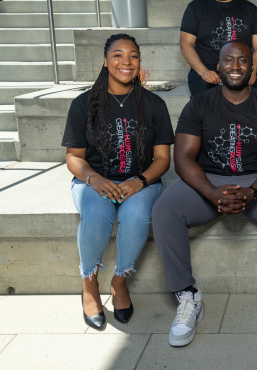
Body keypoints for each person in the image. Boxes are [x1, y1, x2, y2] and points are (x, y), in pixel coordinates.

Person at [152, 40, 257, 347]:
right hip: (208, 178)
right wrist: (211, 192)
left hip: (255, 179)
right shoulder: (199, 104)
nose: (235, 66)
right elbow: (182, 158)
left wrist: (253, 191)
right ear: (218, 66)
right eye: (228, 61)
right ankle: (188, 298)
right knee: (164, 209)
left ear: (252, 67)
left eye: (242, 61)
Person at [62, 34, 175, 331]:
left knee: (137, 215)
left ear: (139, 62)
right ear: (105, 61)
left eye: (133, 56)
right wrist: (94, 179)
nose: (126, 62)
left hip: (141, 181)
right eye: (118, 55)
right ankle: (89, 284)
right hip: (93, 181)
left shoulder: (153, 104)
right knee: (98, 215)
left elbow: (163, 159)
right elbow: (73, 157)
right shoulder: (84, 104)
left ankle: (119, 282)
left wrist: (140, 181)